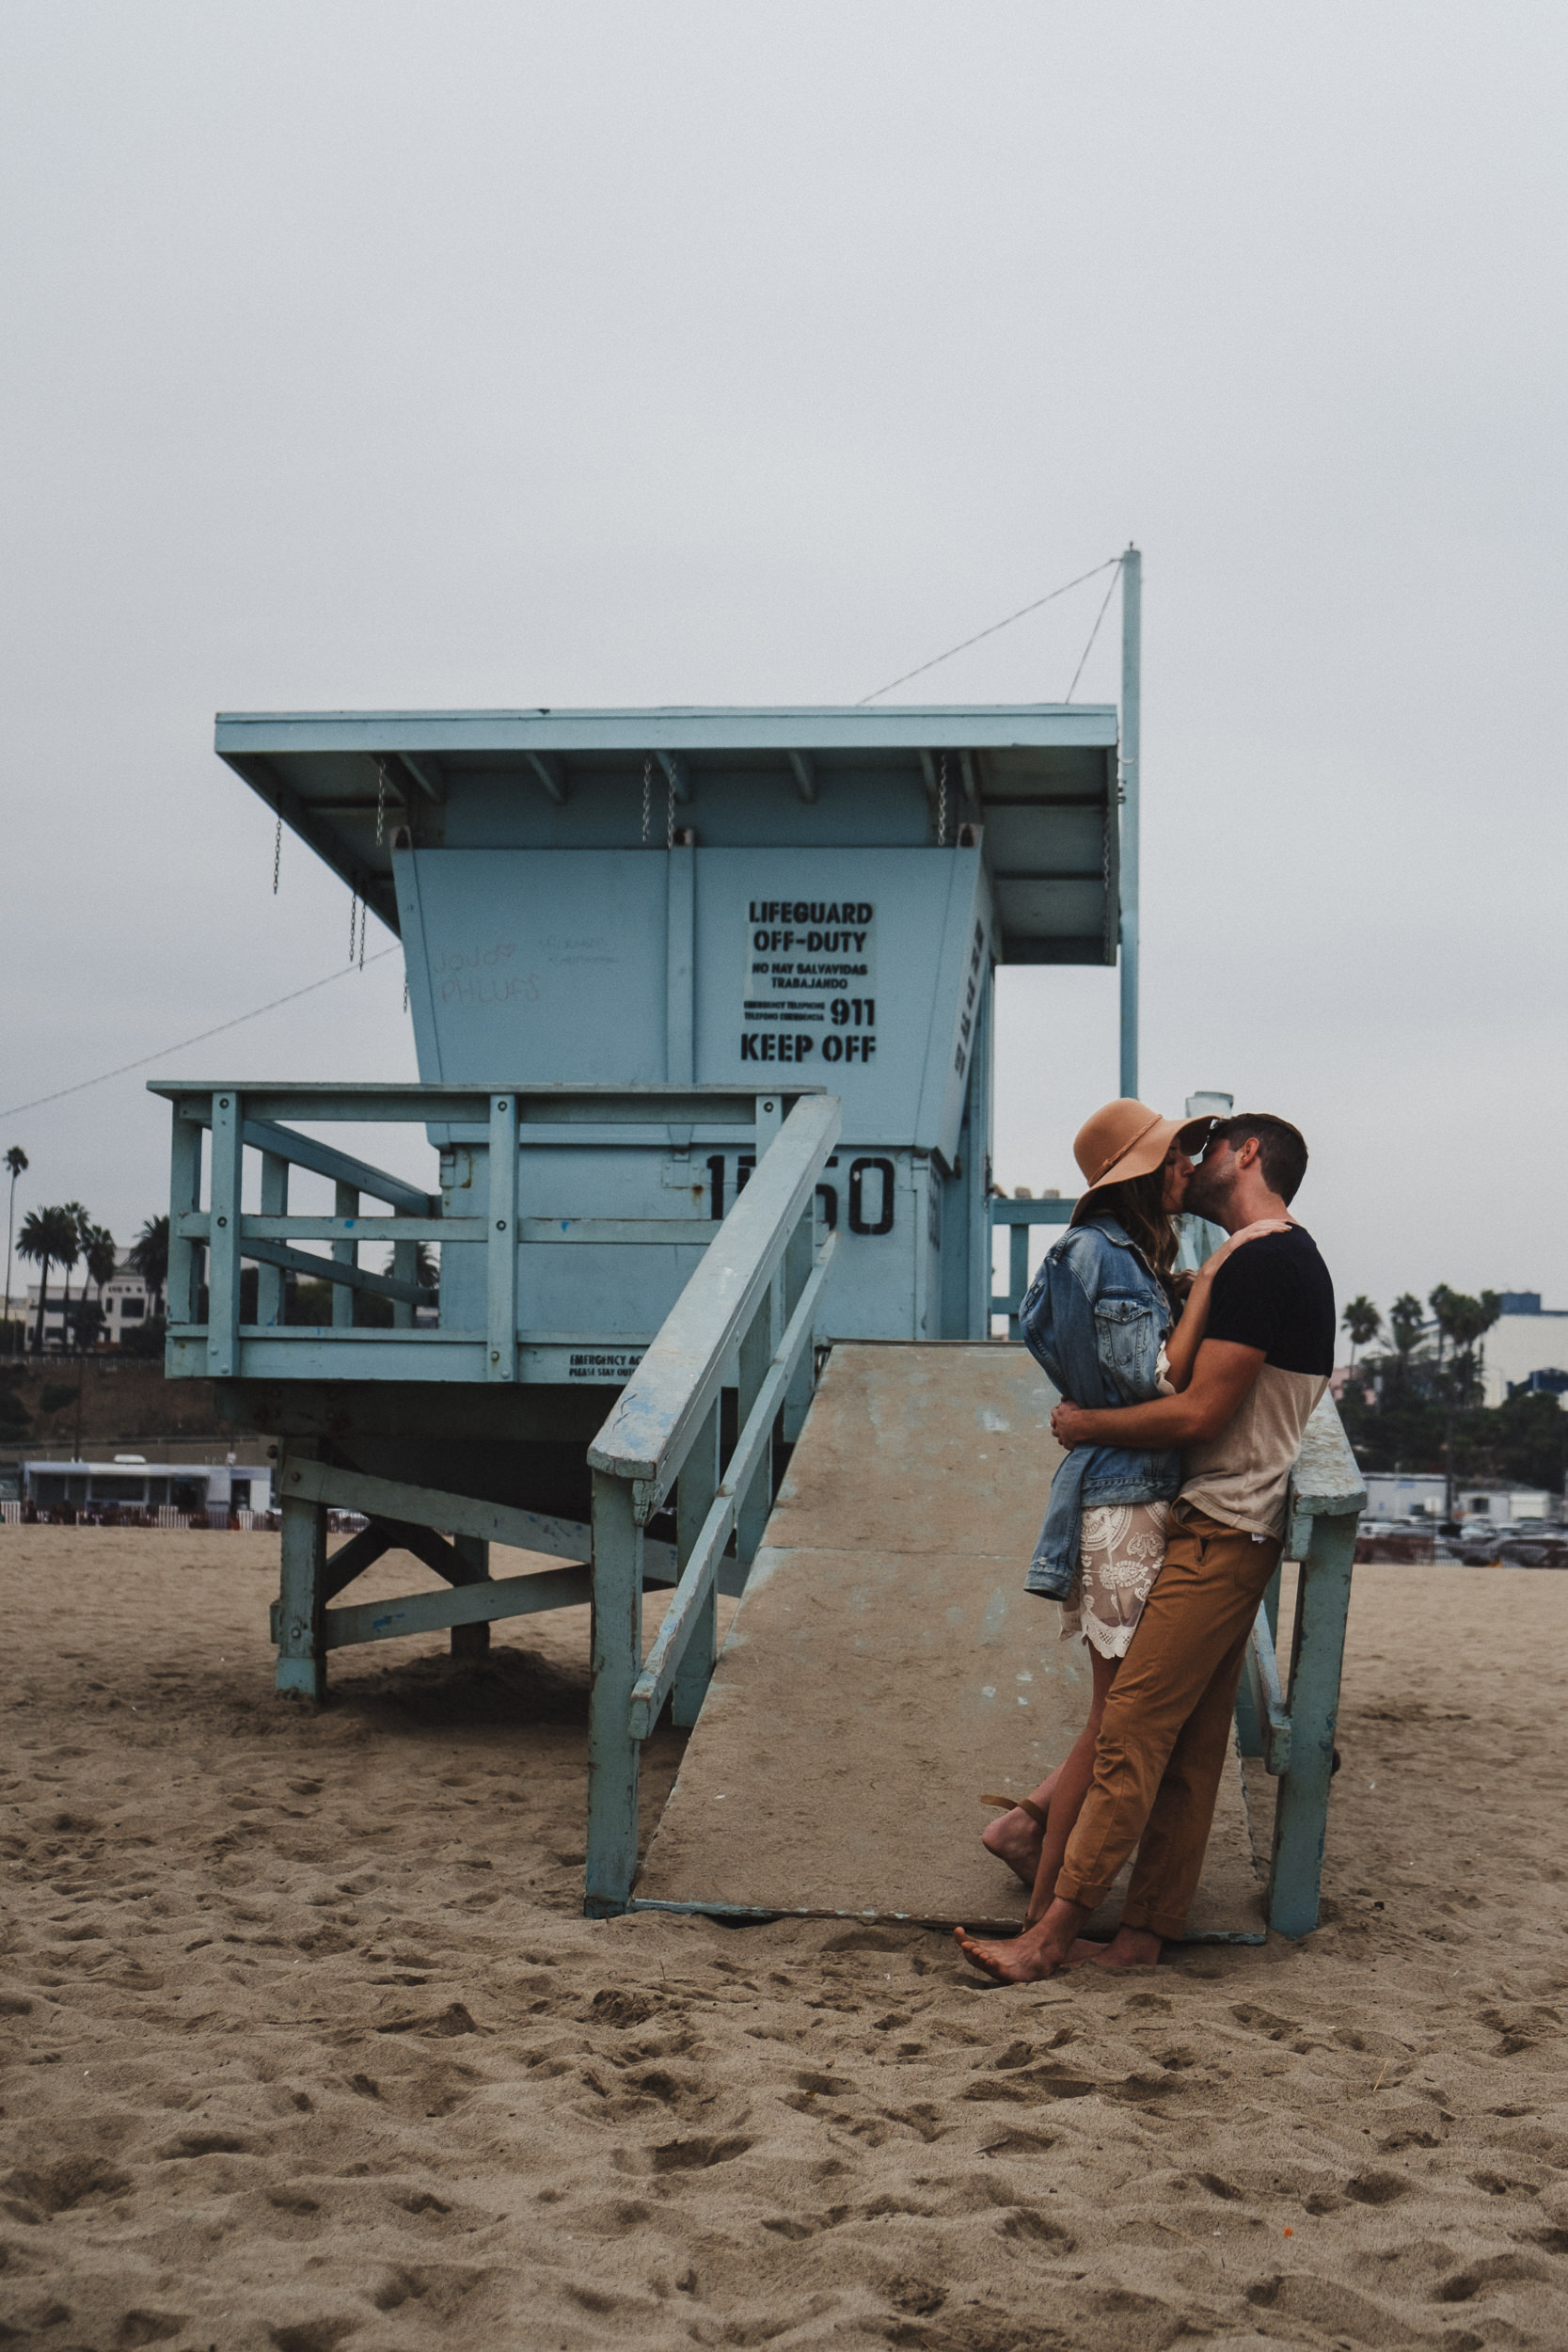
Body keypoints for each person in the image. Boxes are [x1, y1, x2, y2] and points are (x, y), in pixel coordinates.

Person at [958, 1110, 1335, 1982]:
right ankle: (1141, 1935)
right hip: (1231, 1521)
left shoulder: (1261, 1261)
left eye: (1207, 1147)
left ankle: (1050, 1936)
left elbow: (1199, 1412)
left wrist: (1088, 1423)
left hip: (1222, 1523)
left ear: (1246, 1155)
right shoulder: (1275, 1260)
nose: (1192, 1160)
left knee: (1127, 1728)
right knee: (1191, 1745)